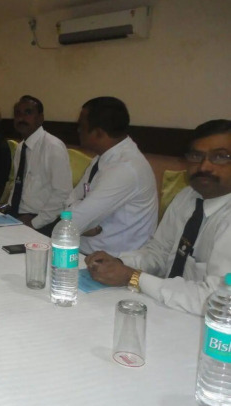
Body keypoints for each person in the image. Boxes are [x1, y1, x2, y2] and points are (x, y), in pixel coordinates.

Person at [86, 119, 231, 316]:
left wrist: (133, 277)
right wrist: (119, 263)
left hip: (209, 325)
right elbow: (159, 253)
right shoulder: (187, 197)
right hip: (167, 308)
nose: (205, 166)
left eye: (220, 157)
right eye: (196, 156)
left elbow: (217, 300)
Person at [68, 97, 158, 255]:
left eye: (81, 126)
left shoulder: (126, 168)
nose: (78, 130)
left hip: (115, 262)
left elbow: (73, 222)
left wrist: (79, 218)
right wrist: (83, 221)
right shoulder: (102, 158)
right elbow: (69, 201)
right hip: (85, 252)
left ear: (99, 132)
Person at [1, 95, 72, 236]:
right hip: (16, 214)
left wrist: (35, 222)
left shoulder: (53, 147)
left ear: (40, 118)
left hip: (42, 221)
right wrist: (8, 206)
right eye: (17, 114)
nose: (21, 118)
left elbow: (62, 194)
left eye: (28, 113)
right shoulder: (21, 147)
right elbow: (18, 183)